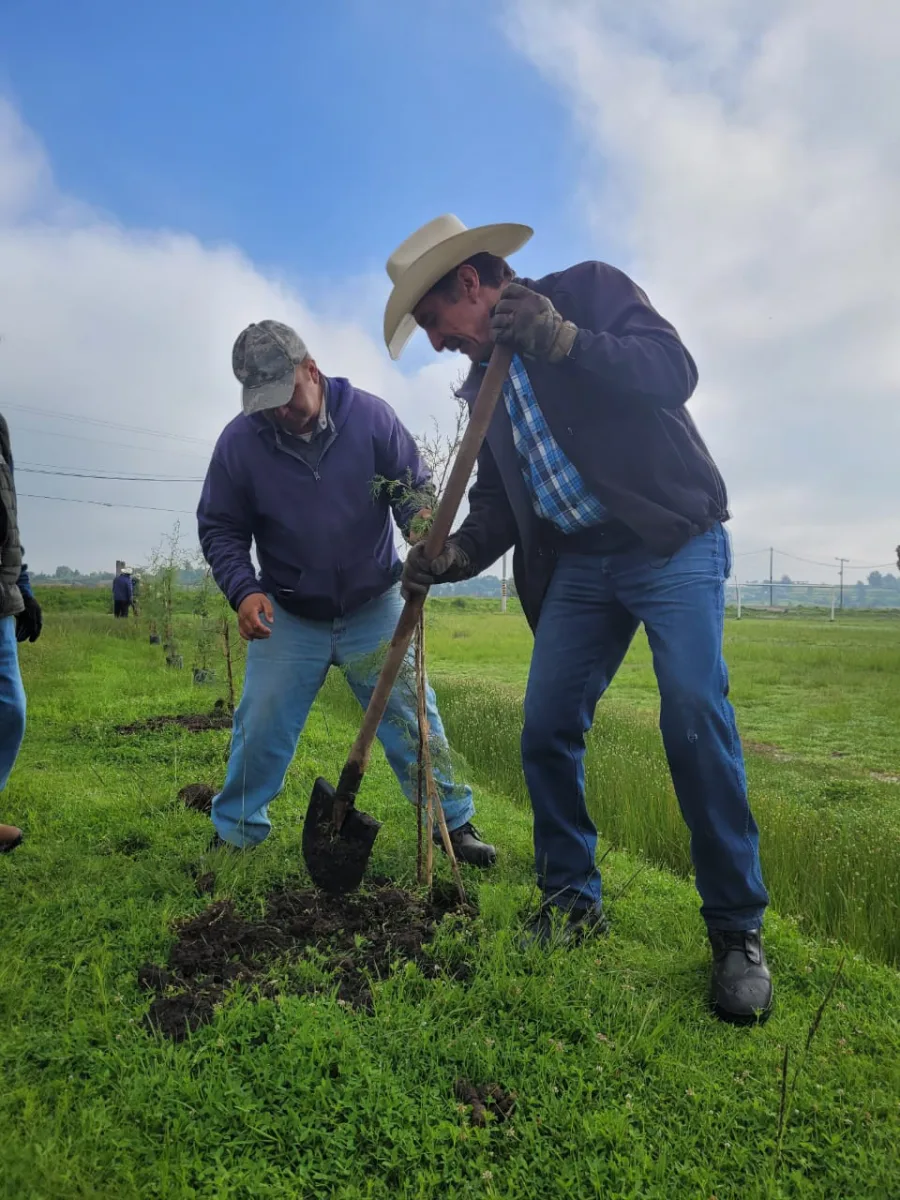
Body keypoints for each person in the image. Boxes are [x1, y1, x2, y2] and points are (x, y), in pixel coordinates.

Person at [388, 215, 771, 1023]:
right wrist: (451, 555)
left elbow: (675, 370)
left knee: (695, 716)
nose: (433, 343)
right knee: (545, 727)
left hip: (671, 538)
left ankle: (737, 930)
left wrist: (562, 341)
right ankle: (571, 900)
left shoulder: (587, 293)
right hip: (581, 565)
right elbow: (497, 508)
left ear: (468, 283)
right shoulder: (481, 385)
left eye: (430, 321)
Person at [197, 319, 494, 866]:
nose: (277, 412)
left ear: (311, 369)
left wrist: (421, 524)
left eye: (285, 397)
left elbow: (412, 488)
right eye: (264, 403)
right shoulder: (240, 443)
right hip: (286, 612)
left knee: (413, 717)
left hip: (373, 605)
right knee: (259, 723)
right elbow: (221, 528)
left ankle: (452, 825)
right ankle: (235, 831)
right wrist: (243, 591)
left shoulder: (370, 418)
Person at [0, 412, 42, 854]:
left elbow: (7, 516)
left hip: (1, 598)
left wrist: (23, 585)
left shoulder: (0, 428)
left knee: (10, 710)